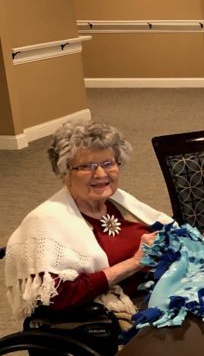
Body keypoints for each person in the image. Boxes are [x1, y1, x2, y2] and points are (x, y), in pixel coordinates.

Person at [5, 121, 172, 321]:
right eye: (86, 166)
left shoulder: (118, 201)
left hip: (156, 290)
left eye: (108, 163)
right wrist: (134, 263)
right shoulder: (46, 221)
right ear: (64, 171)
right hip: (114, 315)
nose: (101, 174)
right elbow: (58, 297)